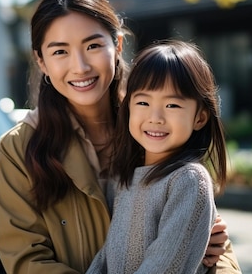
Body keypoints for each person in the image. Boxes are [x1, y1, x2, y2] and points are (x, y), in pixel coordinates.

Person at [0, 0, 240, 274]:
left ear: (118, 46)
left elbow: (216, 249)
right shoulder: (17, 150)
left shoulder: (151, 127)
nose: (80, 66)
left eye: (93, 46)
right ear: (41, 61)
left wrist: (211, 250)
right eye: (60, 51)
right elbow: (26, 262)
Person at [86, 39, 228, 274]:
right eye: (143, 102)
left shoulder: (188, 180)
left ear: (200, 118)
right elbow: (108, 255)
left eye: (172, 105)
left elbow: (164, 266)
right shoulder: (126, 177)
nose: (155, 117)